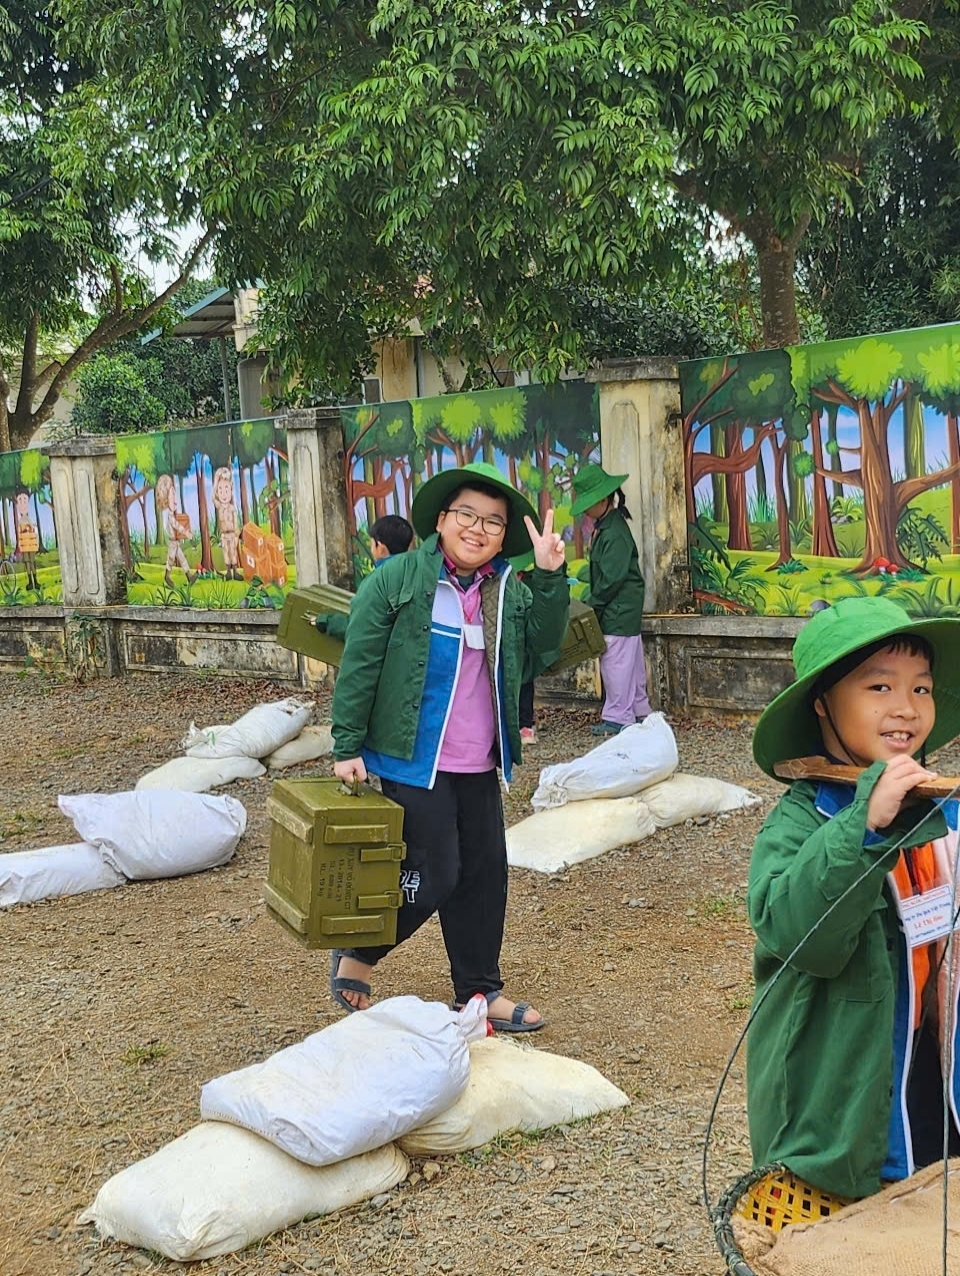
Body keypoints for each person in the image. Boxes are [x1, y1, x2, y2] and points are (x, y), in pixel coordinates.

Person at [329, 461, 569, 1031]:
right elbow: (359, 662)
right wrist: (347, 743)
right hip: (412, 759)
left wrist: (550, 575)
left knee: (484, 873)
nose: (478, 529)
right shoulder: (397, 580)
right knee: (434, 873)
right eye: (467, 515)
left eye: (493, 521)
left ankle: (479, 992)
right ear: (441, 520)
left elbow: (542, 652)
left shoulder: (505, 590)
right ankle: (361, 954)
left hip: (480, 760)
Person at [745, 595, 960, 1228]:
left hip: (927, 1064)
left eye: (921, 688)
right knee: (847, 1238)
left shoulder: (939, 815)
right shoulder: (803, 822)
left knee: (929, 1225)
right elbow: (796, 930)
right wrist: (864, 824)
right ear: (823, 704)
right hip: (841, 1094)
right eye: (878, 686)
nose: (906, 707)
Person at [570, 464, 649, 735]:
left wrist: (591, 606)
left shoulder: (613, 532)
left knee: (615, 662)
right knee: (630, 664)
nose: (585, 509)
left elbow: (610, 580)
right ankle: (639, 712)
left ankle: (618, 717)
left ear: (603, 500)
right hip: (623, 609)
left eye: (588, 503)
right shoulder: (608, 527)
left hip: (618, 610)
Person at [310, 515, 414, 640]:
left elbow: (362, 627)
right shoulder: (416, 575)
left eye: (371, 544)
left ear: (380, 548)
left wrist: (326, 622)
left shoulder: (378, 581)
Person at [510, 552, 538, 744]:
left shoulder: (524, 592)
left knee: (523, 685)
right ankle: (519, 726)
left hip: (521, 647)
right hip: (514, 647)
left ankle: (524, 726)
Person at [155, 473, 197, 588]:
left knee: (181, 558)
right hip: (173, 541)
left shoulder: (168, 513)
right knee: (171, 559)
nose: (175, 498)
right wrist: (186, 533)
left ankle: (189, 576)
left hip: (175, 541)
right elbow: (176, 525)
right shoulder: (168, 515)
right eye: (172, 494)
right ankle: (167, 576)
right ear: (165, 497)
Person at [212, 466, 241, 581]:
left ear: (231, 490)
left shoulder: (232, 508)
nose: (224, 494)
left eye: (226, 489)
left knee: (233, 553)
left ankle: (235, 571)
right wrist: (214, 492)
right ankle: (228, 572)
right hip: (224, 535)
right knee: (226, 553)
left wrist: (237, 534)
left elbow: (235, 522)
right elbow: (213, 499)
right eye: (220, 490)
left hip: (232, 533)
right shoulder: (219, 507)